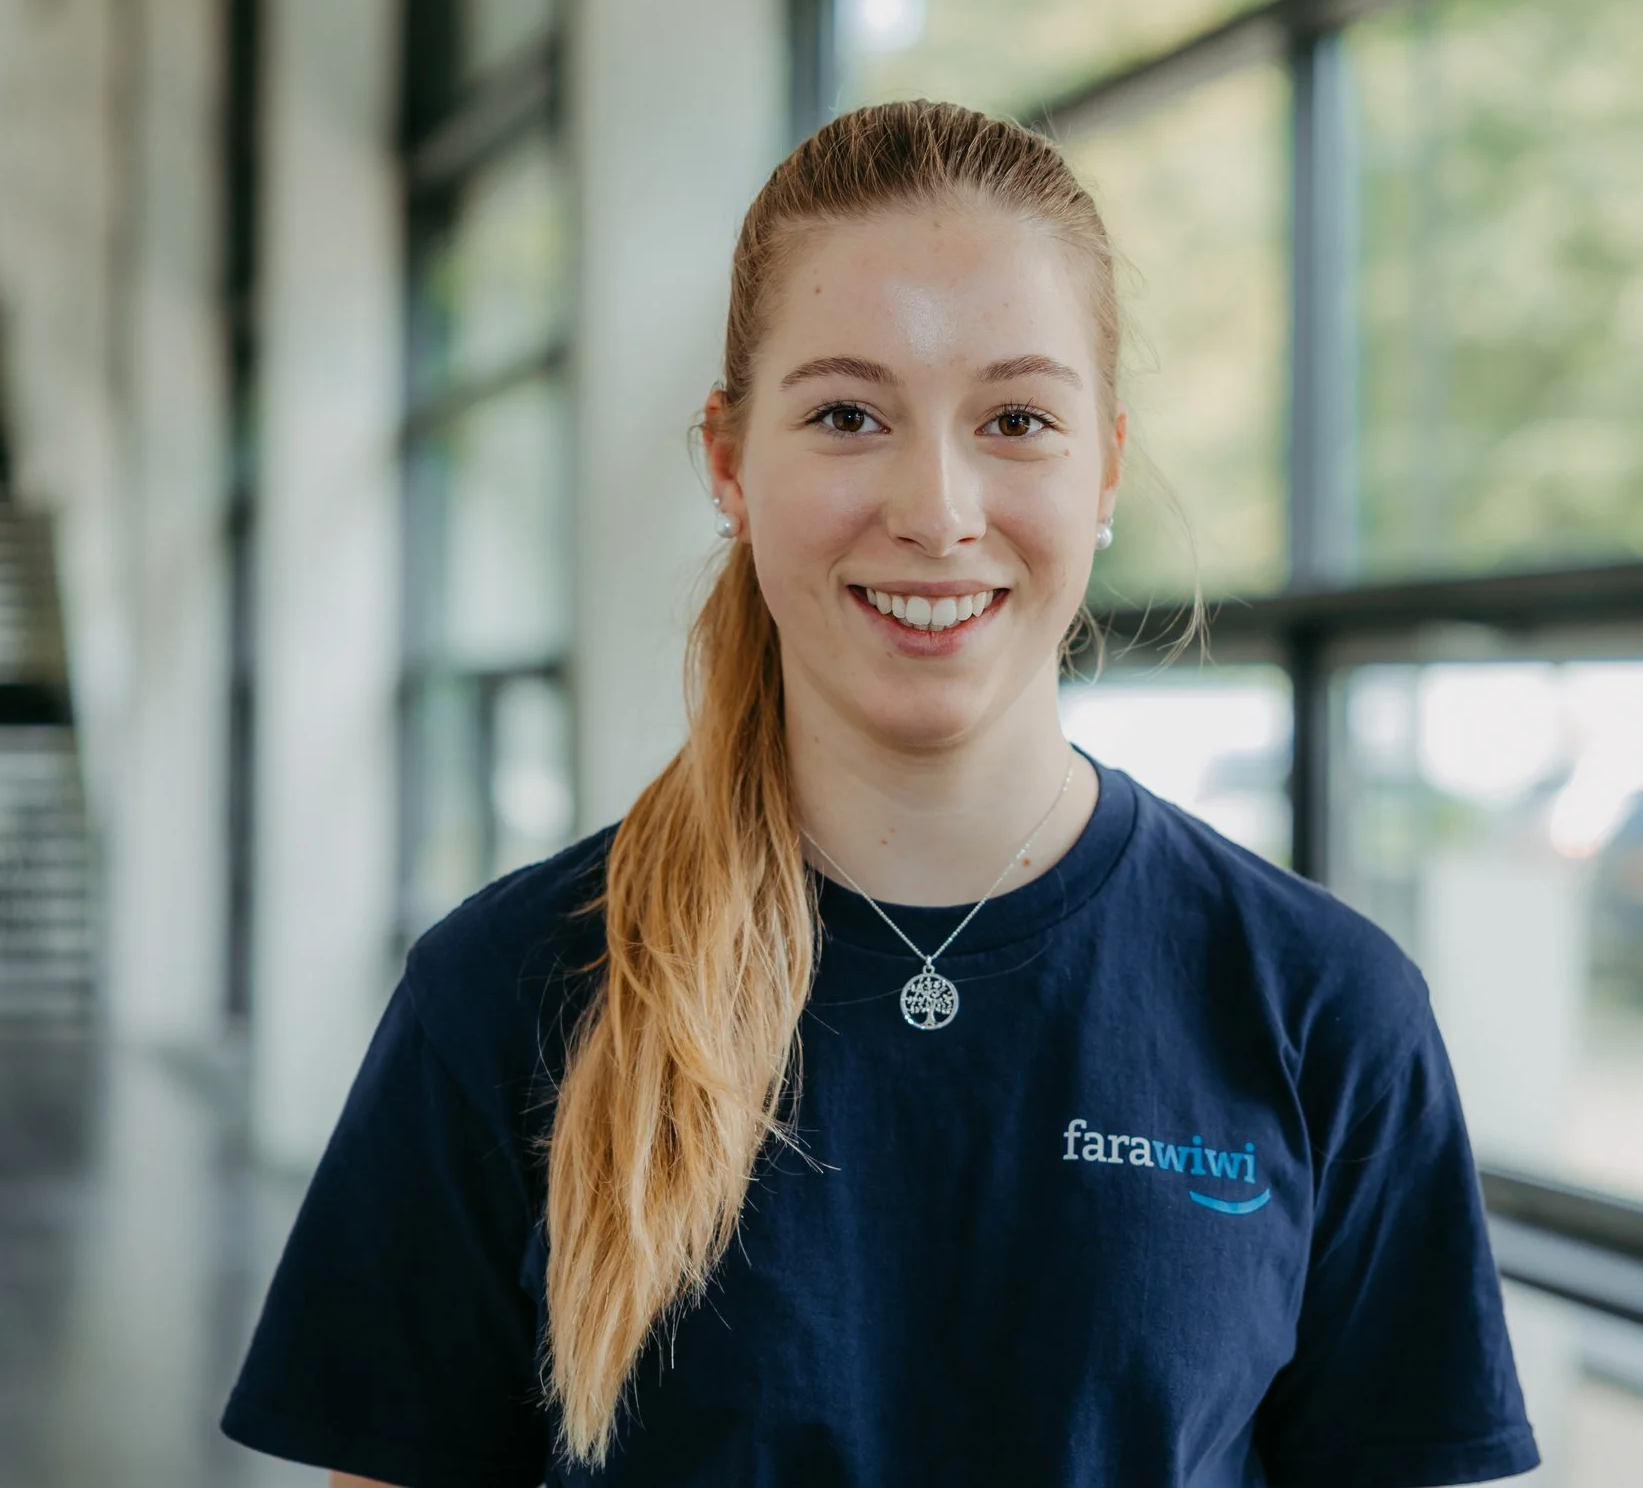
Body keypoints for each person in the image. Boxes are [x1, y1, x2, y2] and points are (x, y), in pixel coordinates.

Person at [220, 100, 1538, 1487]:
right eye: (848, 416)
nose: (937, 509)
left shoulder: (1322, 1007)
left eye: (1016, 419)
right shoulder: (511, 991)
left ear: (1103, 467)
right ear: (729, 462)